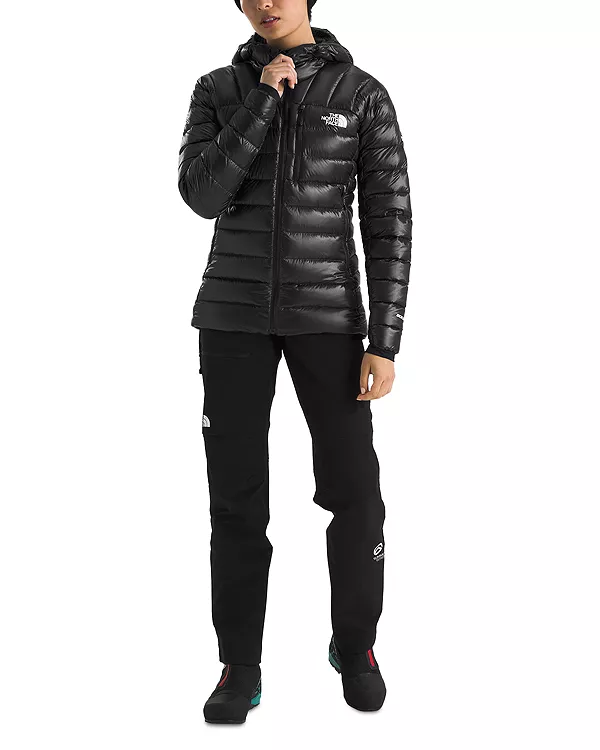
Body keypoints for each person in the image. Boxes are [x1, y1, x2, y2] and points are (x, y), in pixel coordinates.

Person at [178, 0, 412, 724]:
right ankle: (239, 665)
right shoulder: (219, 89)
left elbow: (389, 219)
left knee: (355, 491)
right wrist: (262, 99)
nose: (265, 4)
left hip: (329, 319)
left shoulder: (361, 94)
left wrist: (384, 339)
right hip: (232, 317)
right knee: (236, 500)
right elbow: (201, 195)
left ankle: (357, 644)